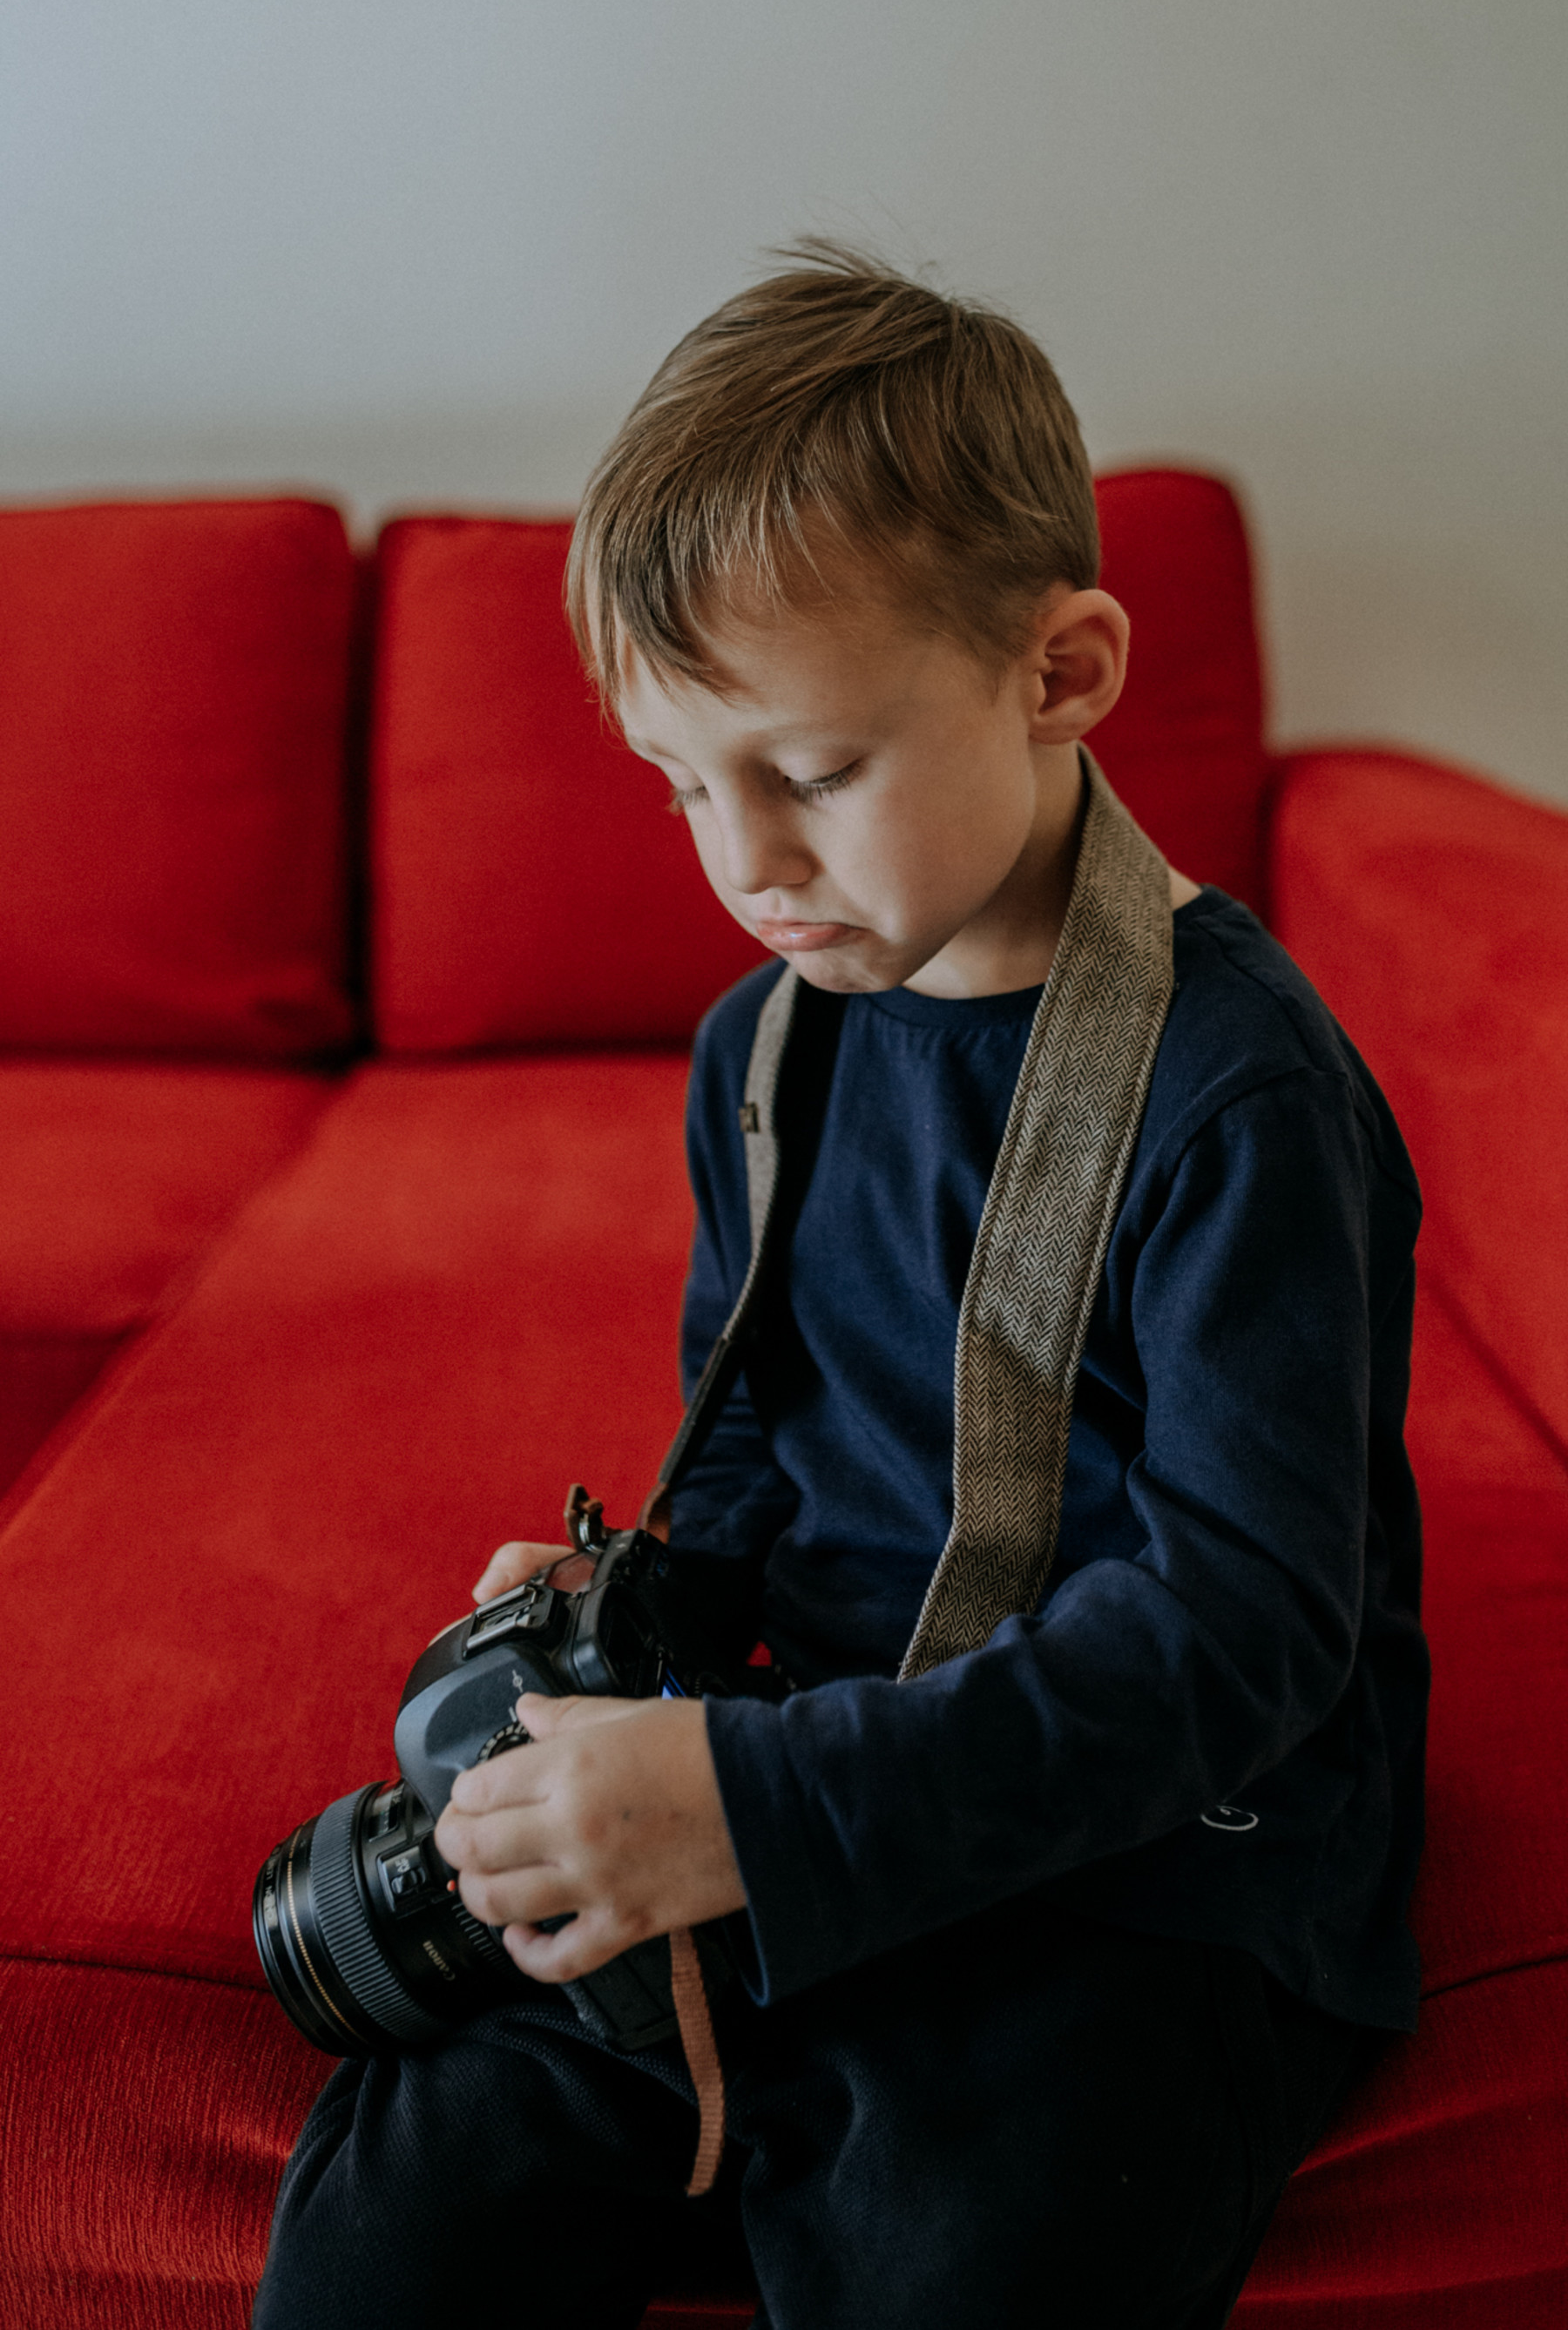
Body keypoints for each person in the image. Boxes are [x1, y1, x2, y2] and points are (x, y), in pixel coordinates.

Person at [253, 246, 1428, 2330]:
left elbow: (1243, 1640)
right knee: (397, 2211)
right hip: (829, 1747)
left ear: (1062, 672)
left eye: (808, 772)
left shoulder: (1243, 1093)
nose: (746, 864)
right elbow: (758, 1479)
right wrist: (636, 1641)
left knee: (976, 2248)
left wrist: (752, 1809)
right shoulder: (765, 1046)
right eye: (686, 785)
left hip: (1159, 1833)